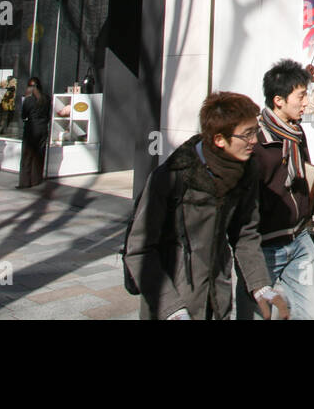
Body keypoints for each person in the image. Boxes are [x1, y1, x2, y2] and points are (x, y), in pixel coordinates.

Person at [123, 92, 288, 320]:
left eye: (255, 131)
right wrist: (172, 309)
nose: (254, 141)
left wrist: (259, 285)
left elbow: (245, 233)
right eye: (247, 134)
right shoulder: (171, 177)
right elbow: (139, 250)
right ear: (219, 139)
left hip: (217, 298)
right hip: (173, 302)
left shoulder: (246, 171)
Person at [252, 59, 314, 320]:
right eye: (301, 96)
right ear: (278, 100)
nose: (306, 102)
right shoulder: (255, 140)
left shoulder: (296, 132)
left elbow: (306, 177)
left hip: (299, 240)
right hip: (264, 248)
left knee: (312, 315)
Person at [17, 78, 49, 188]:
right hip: (43, 128)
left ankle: (25, 182)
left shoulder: (28, 100)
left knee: (27, 156)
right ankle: (36, 179)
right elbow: (48, 115)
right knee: (39, 155)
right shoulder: (46, 99)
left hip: (31, 129)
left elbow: (23, 116)